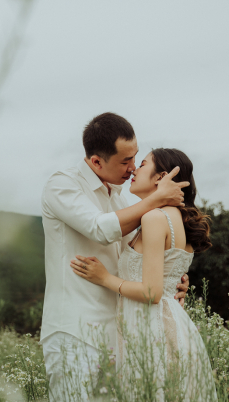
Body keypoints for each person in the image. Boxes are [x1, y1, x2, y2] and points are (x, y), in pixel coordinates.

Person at [40, 113, 191, 401]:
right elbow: (99, 228)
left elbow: (133, 260)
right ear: (96, 161)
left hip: (120, 334)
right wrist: (156, 199)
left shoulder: (121, 200)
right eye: (125, 161)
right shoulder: (62, 185)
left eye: (135, 158)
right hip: (75, 331)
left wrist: (171, 279)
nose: (132, 168)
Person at [71, 148, 218, 401]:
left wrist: (104, 278)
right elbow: (169, 274)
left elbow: (152, 292)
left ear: (160, 177)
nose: (134, 170)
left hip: (152, 328)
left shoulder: (154, 218)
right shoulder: (180, 218)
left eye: (142, 164)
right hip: (172, 324)